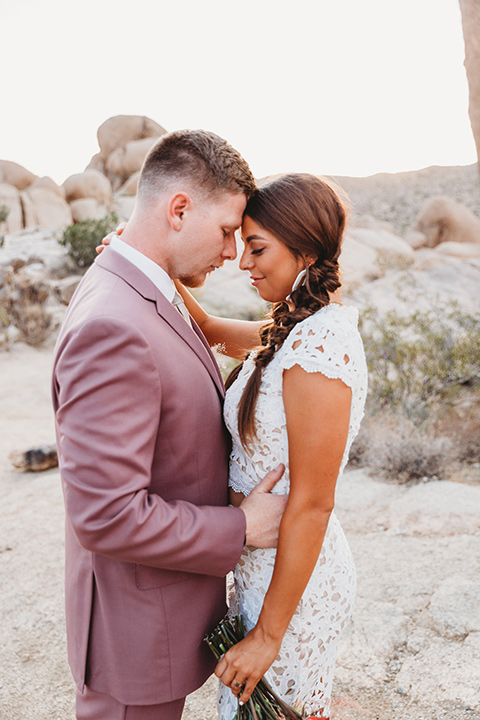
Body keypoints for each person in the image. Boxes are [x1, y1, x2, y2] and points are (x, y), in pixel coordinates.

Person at [51, 129, 288, 720]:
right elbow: (106, 515)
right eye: (229, 229)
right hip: (136, 637)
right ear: (179, 209)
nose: (234, 251)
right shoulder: (115, 325)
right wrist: (241, 527)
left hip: (161, 616)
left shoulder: (150, 287)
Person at [174, 172, 368, 719]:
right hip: (263, 567)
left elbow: (312, 502)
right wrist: (142, 259)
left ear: (304, 249)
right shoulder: (292, 331)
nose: (243, 262)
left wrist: (267, 635)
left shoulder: (320, 346)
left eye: (257, 248)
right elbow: (208, 325)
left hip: (295, 592)